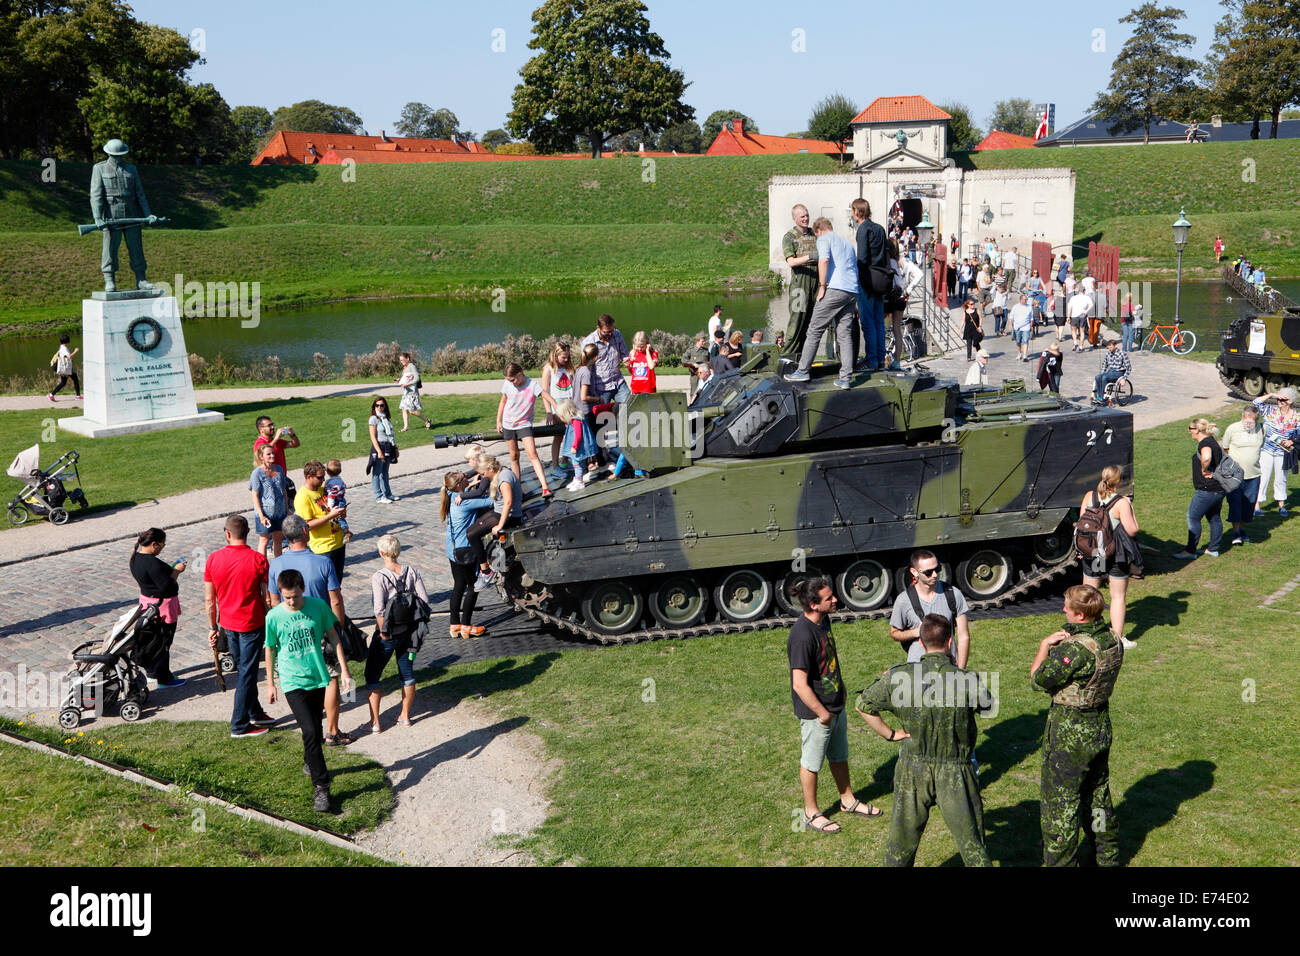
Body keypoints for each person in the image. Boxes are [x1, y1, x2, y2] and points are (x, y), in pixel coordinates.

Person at [855, 614, 992, 867]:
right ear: (950, 641)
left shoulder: (899, 676)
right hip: (956, 771)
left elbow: (863, 704)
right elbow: (987, 706)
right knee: (973, 845)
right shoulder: (967, 680)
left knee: (901, 845)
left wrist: (890, 734)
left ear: (920, 641)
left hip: (912, 769)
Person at [1031, 584, 1122, 867]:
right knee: (1097, 795)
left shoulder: (1075, 650)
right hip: (1100, 726)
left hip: (1071, 733)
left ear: (1080, 616)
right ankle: (1107, 857)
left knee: (1061, 804)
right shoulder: (1112, 639)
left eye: (1067, 607)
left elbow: (1038, 679)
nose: (1062, 609)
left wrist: (1044, 646)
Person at [787, 577, 883, 833]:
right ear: (813, 604)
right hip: (817, 713)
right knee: (812, 762)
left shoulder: (823, 621)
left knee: (839, 757)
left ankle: (848, 800)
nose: (835, 600)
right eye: (829, 598)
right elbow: (799, 684)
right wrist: (822, 713)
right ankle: (810, 812)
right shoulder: (801, 636)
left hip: (835, 705)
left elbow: (827, 660)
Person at [264, 568, 353, 813]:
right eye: (286, 597)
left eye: (294, 596)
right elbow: (270, 648)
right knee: (312, 731)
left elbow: (334, 637)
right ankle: (322, 788)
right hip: (292, 681)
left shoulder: (317, 606)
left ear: (302, 589)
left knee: (313, 728)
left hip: (318, 676)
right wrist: (270, 683)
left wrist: (344, 671)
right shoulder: (273, 616)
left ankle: (308, 760)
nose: (291, 601)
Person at [267, 513, 350, 746]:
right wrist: (338, 627)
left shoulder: (276, 564)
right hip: (321, 627)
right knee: (331, 677)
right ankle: (332, 731)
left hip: (289, 629)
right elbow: (335, 600)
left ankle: (311, 723)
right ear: (305, 531)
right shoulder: (323, 562)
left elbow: (274, 602)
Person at [203, 515, 273, 739]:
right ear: (247, 533)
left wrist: (213, 627)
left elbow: (208, 600)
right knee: (247, 673)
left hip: (228, 624)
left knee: (245, 669)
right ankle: (240, 724)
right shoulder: (258, 560)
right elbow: (266, 596)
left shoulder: (213, 559)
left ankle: (255, 711)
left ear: (227, 534)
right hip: (252, 622)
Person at [783, 218, 859, 387]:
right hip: (852, 291)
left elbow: (823, 260)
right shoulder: (847, 244)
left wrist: (822, 286)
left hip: (835, 289)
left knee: (814, 330)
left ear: (818, 231)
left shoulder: (824, 239)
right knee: (844, 335)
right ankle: (846, 378)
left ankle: (802, 371)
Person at [366, 535, 430, 731]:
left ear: (381, 553)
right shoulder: (412, 572)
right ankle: (405, 716)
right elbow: (425, 601)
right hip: (409, 633)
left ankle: (375, 722)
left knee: (372, 674)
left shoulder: (380, 577)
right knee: (407, 674)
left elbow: (379, 610)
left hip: (388, 634)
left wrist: (384, 633)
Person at [1079, 466, 1141, 650]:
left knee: (1088, 594)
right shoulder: (1121, 502)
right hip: (1115, 552)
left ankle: (1084, 634)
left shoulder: (1090, 496)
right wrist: (1130, 508)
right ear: (1118, 481)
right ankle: (1117, 638)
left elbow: (1082, 523)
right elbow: (1132, 529)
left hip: (1094, 551)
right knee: (1117, 596)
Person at [889, 549, 971, 667]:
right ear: (914, 572)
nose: (935, 575)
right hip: (917, 670)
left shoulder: (953, 594)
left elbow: (963, 636)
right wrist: (917, 632)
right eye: (928, 572)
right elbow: (894, 634)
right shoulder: (903, 600)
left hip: (948, 667)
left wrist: (961, 670)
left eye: (937, 569)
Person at [129, 527, 186, 688]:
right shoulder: (153, 563)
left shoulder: (135, 558)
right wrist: (177, 571)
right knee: (163, 641)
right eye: (162, 545)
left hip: (147, 603)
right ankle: (164, 678)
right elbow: (166, 585)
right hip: (163, 607)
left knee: (151, 639)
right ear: (154, 544)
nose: (162, 548)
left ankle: (152, 672)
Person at [441, 471, 494, 638]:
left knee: (458, 586)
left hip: (452, 549)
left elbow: (464, 485)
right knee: (474, 587)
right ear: (459, 485)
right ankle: (466, 626)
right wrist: (487, 479)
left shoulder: (449, 494)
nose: (468, 479)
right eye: (465, 479)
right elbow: (491, 501)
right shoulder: (464, 502)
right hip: (465, 551)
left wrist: (471, 484)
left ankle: (454, 625)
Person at [1173, 419, 1226, 559]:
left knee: (1193, 517)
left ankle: (1190, 551)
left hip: (1207, 490)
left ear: (1197, 430)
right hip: (1218, 488)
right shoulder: (1212, 440)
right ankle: (1213, 549)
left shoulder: (1205, 443)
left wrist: (1204, 469)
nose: (1189, 431)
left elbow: (1207, 457)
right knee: (1214, 518)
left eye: (1190, 428)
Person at [470, 455, 521, 592]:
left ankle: (486, 572)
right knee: (470, 532)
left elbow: (508, 502)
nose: (484, 477)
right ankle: (486, 567)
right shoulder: (501, 472)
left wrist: (500, 525)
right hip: (498, 511)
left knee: (472, 535)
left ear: (490, 468)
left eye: (484, 473)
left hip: (508, 515)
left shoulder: (504, 479)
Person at [497, 362, 550, 497]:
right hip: (509, 424)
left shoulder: (532, 385)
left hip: (524, 424)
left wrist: (552, 409)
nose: (511, 383)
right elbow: (503, 401)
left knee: (532, 454)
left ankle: (545, 487)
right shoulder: (508, 384)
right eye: (509, 380)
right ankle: (518, 489)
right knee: (514, 456)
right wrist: (498, 420)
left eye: (513, 379)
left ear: (520, 374)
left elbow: (545, 395)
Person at [851, 197, 889, 372]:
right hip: (881, 279)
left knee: (867, 322)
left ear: (857, 212)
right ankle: (881, 359)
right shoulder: (880, 228)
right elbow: (886, 255)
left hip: (867, 280)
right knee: (878, 322)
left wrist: (856, 280)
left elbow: (862, 259)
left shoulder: (863, 229)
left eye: (853, 211)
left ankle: (872, 361)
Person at [295, 460, 347, 581]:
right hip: (323, 549)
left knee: (337, 586)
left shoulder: (323, 489)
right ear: (309, 477)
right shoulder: (303, 497)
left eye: (324, 476)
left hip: (338, 543)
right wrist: (330, 516)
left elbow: (333, 507)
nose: (323, 480)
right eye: (320, 477)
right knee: (327, 589)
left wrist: (342, 513)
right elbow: (307, 525)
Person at [781, 204, 820, 359]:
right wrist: (810, 257)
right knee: (797, 321)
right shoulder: (789, 237)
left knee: (813, 322)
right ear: (795, 218)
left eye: (807, 215)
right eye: (802, 216)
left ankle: (805, 358)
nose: (805, 219)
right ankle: (787, 357)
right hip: (800, 283)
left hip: (816, 281)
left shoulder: (814, 234)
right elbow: (791, 262)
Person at [1221, 405, 1264, 545]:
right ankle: (1236, 533)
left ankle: (1241, 529)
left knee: (1248, 505)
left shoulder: (1262, 429)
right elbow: (1225, 448)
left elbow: (1261, 446)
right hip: (1234, 476)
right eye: (1247, 421)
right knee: (1235, 504)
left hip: (1254, 475)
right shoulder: (1232, 429)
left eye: (1253, 421)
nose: (1249, 424)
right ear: (1243, 416)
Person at [1253, 388, 1299, 516]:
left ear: (1290, 401)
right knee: (1263, 477)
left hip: (1283, 452)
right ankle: (1257, 506)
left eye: (1283, 399)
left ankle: (1281, 506)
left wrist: (1292, 442)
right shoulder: (1270, 411)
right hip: (1266, 450)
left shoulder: (1297, 417)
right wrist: (1272, 394)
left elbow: (1299, 435)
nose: (1279, 401)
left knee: (1281, 479)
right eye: (1278, 399)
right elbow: (1256, 403)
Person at [539, 342, 577, 472]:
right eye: (563, 357)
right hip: (558, 406)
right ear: (555, 356)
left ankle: (566, 460)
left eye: (568, 357)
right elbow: (545, 392)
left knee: (574, 432)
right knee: (559, 436)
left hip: (570, 404)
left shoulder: (569, 368)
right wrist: (549, 412)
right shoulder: (549, 369)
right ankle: (556, 466)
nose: (566, 360)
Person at [249, 443, 289, 559]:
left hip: (279, 511)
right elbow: (255, 495)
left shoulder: (279, 470)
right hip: (265, 512)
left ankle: (278, 564)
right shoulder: (257, 473)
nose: (272, 456)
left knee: (278, 538)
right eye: (268, 454)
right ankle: (262, 567)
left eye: (273, 453)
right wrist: (261, 516)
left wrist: (286, 509)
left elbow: (284, 490)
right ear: (261, 456)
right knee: (264, 540)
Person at [887, 240, 922, 369]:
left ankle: (878, 358)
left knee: (878, 326)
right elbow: (920, 274)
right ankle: (896, 361)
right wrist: (909, 289)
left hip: (888, 298)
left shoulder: (887, 261)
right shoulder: (905, 262)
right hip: (901, 298)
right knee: (897, 330)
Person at [581, 314, 629, 405]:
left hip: (618, 383)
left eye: (612, 330)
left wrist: (626, 360)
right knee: (602, 417)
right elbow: (586, 369)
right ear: (598, 328)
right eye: (606, 332)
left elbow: (624, 354)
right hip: (600, 388)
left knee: (630, 408)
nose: (610, 334)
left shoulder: (617, 334)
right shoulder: (588, 342)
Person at [555, 399, 598, 488]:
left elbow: (578, 436)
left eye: (561, 416)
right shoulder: (575, 419)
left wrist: (574, 447)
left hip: (579, 446)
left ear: (567, 414)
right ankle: (578, 477)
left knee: (576, 463)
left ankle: (579, 482)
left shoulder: (576, 421)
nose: (560, 418)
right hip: (580, 445)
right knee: (578, 462)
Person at [365, 397, 399, 504]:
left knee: (385, 472)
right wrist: (379, 451)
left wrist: (395, 447)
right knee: (377, 472)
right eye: (377, 405)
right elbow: (373, 437)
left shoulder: (386, 419)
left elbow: (391, 435)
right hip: (379, 446)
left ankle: (387, 493)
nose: (379, 407)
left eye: (382, 405)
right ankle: (379, 496)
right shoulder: (373, 419)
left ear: (385, 406)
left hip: (388, 445)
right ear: (374, 407)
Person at [395, 351, 432, 431]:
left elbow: (416, 378)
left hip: (412, 392)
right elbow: (406, 379)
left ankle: (427, 420)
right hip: (406, 392)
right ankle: (406, 427)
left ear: (407, 358)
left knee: (412, 411)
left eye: (402, 360)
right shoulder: (404, 368)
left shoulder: (412, 366)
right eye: (400, 360)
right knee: (404, 409)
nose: (401, 362)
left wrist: (407, 385)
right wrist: (399, 380)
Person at [1091, 339, 1131, 405]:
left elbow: (1128, 367)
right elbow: (1104, 364)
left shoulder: (1122, 353)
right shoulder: (1108, 353)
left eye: (1111, 347)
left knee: (1104, 377)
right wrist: (1102, 373)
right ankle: (1099, 396)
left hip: (1119, 372)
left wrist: (1124, 378)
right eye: (1108, 347)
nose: (1109, 349)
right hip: (1110, 372)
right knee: (1098, 377)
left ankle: (1103, 397)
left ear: (1115, 346)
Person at [322, 460, 352, 542]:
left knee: (339, 518)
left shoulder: (330, 483)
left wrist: (330, 506)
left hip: (335, 502)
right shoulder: (340, 480)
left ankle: (346, 531)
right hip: (342, 500)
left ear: (327, 472)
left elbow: (331, 495)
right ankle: (342, 531)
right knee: (340, 517)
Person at [48, 333, 81, 402]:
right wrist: (75, 351)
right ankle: (78, 396)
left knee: (64, 382)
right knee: (74, 378)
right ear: (67, 341)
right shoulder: (64, 349)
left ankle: (51, 395)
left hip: (63, 367)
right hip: (64, 368)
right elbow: (69, 357)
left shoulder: (62, 347)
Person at [680, 332, 710, 401]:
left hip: (705, 375)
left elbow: (709, 361)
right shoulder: (691, 350)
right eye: (702, 341)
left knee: (704, 391)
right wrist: (692, 364)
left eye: (704, 341)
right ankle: (692, 406)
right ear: (697, 341)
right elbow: (683, 360)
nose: (704, 342)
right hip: (695, 375)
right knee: (694, 392)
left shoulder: (706, 351)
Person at [1009, 293, 1035, 362]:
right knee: (1018, 342)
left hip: (1026, 327)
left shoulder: (1029, 307)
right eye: (1024, 299)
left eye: (1026, 299)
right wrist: (1010, 325)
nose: (1026, 301)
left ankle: (1025, 355)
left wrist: (1031, 325)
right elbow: (1011, 317)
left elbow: (1031, 318)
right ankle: (1020, 353)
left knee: (1025, 341)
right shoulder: (1015, 307)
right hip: (1017, 327)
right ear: (1020, 300)